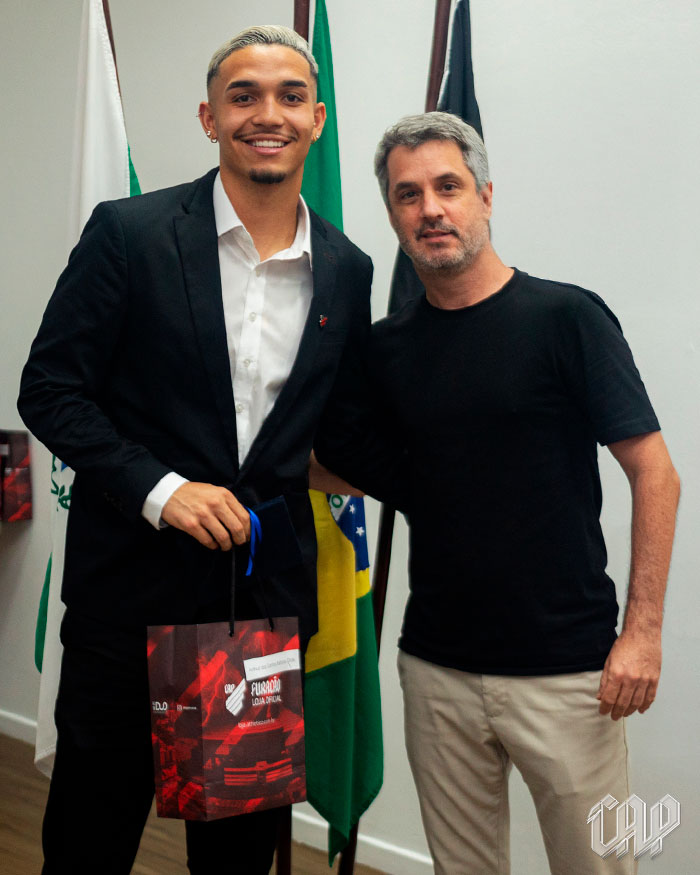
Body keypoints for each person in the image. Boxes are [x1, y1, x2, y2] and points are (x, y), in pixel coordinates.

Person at [18, 25, 372, 875]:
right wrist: (162, 488)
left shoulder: (348, 268)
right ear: (210, 117)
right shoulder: (129, 234)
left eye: (289, 96)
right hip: (125, 606)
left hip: (256, 614)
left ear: (316, 119)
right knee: (89, 845)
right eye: (243, 96)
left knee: (237, 859)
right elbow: (50, 389)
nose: (267, 114)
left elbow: (326, 432)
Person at [314, 112, 680, 875]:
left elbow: (655, 471)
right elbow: (374, 467)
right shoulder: (386, 348)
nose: (430, 209)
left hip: (570, 673)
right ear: (393, 216)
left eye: (447, 187)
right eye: (408, 195)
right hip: (437, 669)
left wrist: (641, 634)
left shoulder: (567, 317)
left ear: (485, 195)